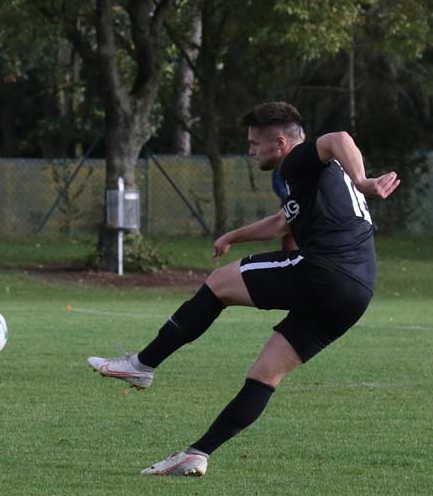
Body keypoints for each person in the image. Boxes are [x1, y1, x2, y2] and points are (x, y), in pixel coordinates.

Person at [87, 102, 399, 476]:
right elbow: (283, 222)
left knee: (219, 283)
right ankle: (197, 454)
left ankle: (142, 365)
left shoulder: (298, 160)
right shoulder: (316, 175)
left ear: (280, 142)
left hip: (325, 270)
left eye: (254, 143)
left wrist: (364, 180)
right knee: (265, 374)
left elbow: (339, 137)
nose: (250, 151)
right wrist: (233, 236)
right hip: (356, 293)